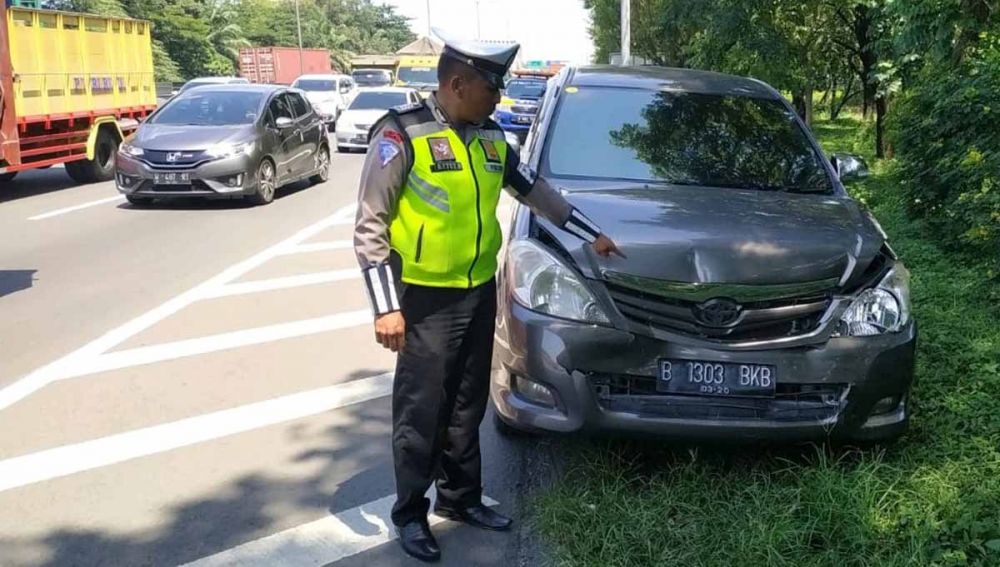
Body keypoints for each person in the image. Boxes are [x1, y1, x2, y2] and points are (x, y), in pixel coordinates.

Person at [353, 36, 622, 563]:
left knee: (467, 403)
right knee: (421, 413)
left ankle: (460, 499)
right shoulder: (401, 134)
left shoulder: (491, 139)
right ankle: (410, 512)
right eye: (491, 87)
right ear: (457, 84)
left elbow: (535, 191)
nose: (498, 97)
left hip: (478, 295)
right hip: (424, 302)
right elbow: (370, 227)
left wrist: (592, 233)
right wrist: (386, 307)